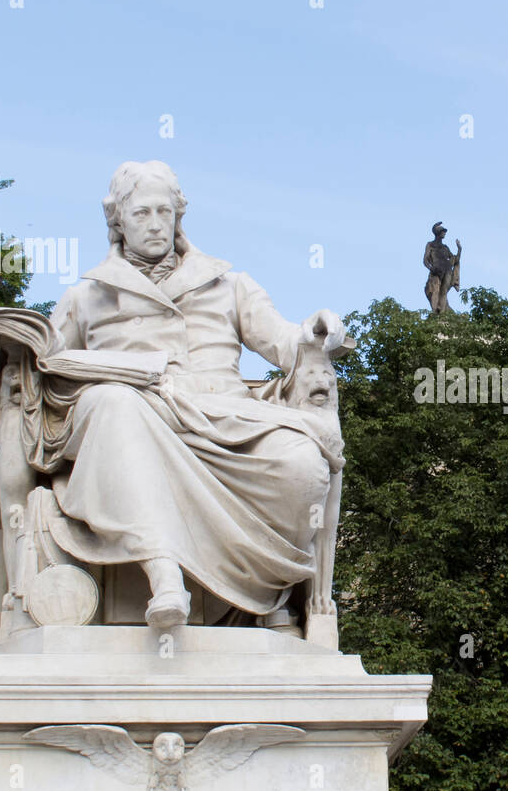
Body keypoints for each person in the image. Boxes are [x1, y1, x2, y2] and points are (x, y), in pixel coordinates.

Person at [30, 161, 347, 630]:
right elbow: (46, 364)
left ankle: (269, 595)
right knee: (112, 403)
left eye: (164, 211)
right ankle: (164, 575)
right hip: (134, 418)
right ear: (117, 219)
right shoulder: (86, 296)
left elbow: (283, 341)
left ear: (179, 214)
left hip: (226, 420)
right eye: (141, 213)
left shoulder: (229, 284)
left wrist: (313, 331)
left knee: (303, 465)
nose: (156, 223)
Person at [423, 221, 461, 313]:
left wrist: (459, 249)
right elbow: (425, 260)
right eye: (442, 231)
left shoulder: (445, 247)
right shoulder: (430, 245)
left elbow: (455, 259)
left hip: (447, 270)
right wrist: (431, 268)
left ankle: (442, 314)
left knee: (443, 292)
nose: (444, 233)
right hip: (436, 271)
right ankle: (435, 311)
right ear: (437, 232)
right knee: (435, 290)